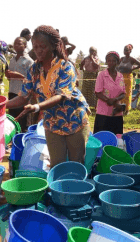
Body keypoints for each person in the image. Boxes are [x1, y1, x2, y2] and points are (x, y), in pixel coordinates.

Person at [6, 25, 90, 167]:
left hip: (74, 118)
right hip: (52, 121)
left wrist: (37, 106)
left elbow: (61, 95)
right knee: (57, 164)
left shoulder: (65, 66)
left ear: (52, 46)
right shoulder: (34, 69)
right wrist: (1, 105)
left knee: (76, 164)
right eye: (35, 46)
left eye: (42, 46)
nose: (38, 50)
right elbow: (23, 96)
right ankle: (58, 188)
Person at [93, 51, 126, 135]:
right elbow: (98, 92)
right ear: (106, 61)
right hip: (103, 113)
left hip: (117, 112)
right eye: (109, 60)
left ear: (117, 62)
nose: (111, 63)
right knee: (102, 138)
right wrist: (109, 100)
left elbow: (123, 93)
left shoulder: (120, 76)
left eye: (113, 61)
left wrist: (115, 100)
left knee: (116, 138)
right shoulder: (102, 75)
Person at [6, 37, 34, 131]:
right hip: (12, 92)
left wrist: (19, 76)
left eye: (19, 44)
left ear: (25, 45)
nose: (16, 46)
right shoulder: (12, 60)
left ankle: (22, 139)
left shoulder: (29, 61)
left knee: (22, 121)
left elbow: (31, 80)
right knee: (12, 120)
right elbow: (9, 77)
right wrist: (8, 75)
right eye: (15, 44)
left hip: (23, 95)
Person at [117, 44, 140, 114]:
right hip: (121, 77)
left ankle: (127, 109)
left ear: (130, 51)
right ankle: (121, 107)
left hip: (128, 78)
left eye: (126, 50)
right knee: (120, 93)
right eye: (124, 50)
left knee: (127, 93)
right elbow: (117, 65)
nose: (125, 52)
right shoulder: (122, 59)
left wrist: (133, 68)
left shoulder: (132, 59)